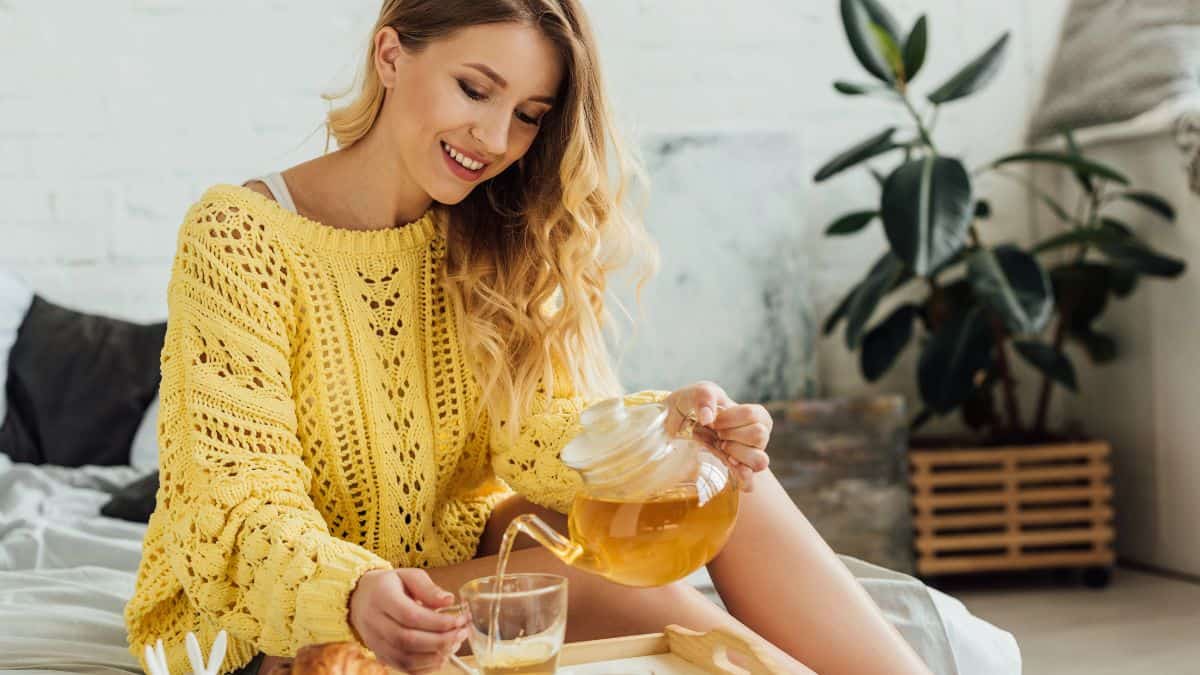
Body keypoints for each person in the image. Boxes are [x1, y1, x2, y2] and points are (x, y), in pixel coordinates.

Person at [124, 1, 933, 673]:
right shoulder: (241, 235)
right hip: (284, 619)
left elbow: (540, 433)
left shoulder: (487, 232)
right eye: (475, 89)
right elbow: (239, 508)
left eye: (527, 116)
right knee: (640, 592)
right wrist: (351, 590)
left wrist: (663, 432)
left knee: (718, 476)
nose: (494, 138)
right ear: (391, 55)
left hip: (431, 566)